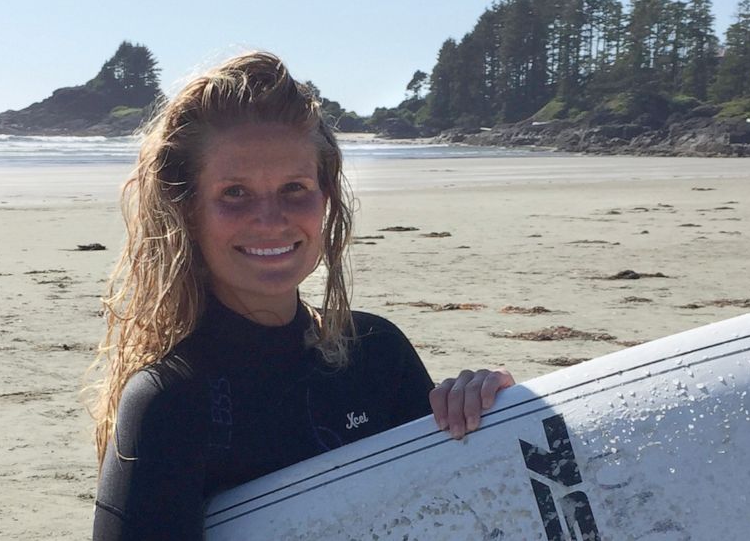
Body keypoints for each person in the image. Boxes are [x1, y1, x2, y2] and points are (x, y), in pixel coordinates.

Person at [88, 51, 513, 540]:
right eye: (234, 193)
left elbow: (460, 513)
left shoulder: (377, 352)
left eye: (295, 187)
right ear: (186, 211)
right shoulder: (169, 402)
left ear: (325, 198)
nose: (271, 219)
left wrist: (488, 415)